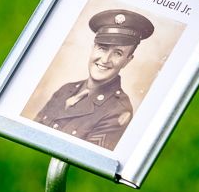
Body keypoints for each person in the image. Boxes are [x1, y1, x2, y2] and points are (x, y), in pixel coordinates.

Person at [34, 9, 155, 150]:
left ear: (127, 60)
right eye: (103, 48)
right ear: (93, 48)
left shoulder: (117, 111)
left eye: (118, 53)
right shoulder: (66, 89)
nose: (105, 60)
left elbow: (81, 161)